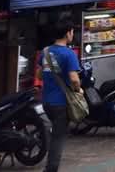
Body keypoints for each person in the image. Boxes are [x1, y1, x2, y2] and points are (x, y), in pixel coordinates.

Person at [37, 19, 82, 172]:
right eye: (72, 32)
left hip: (46, 102)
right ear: (67, 33)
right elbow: (74, 78)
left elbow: (39, 74)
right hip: (61, 103)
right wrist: (78, 90)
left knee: (55, 132)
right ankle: (51, 169)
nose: (72, 34)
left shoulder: (45, 52)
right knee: (58, 137)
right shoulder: (69, 54)